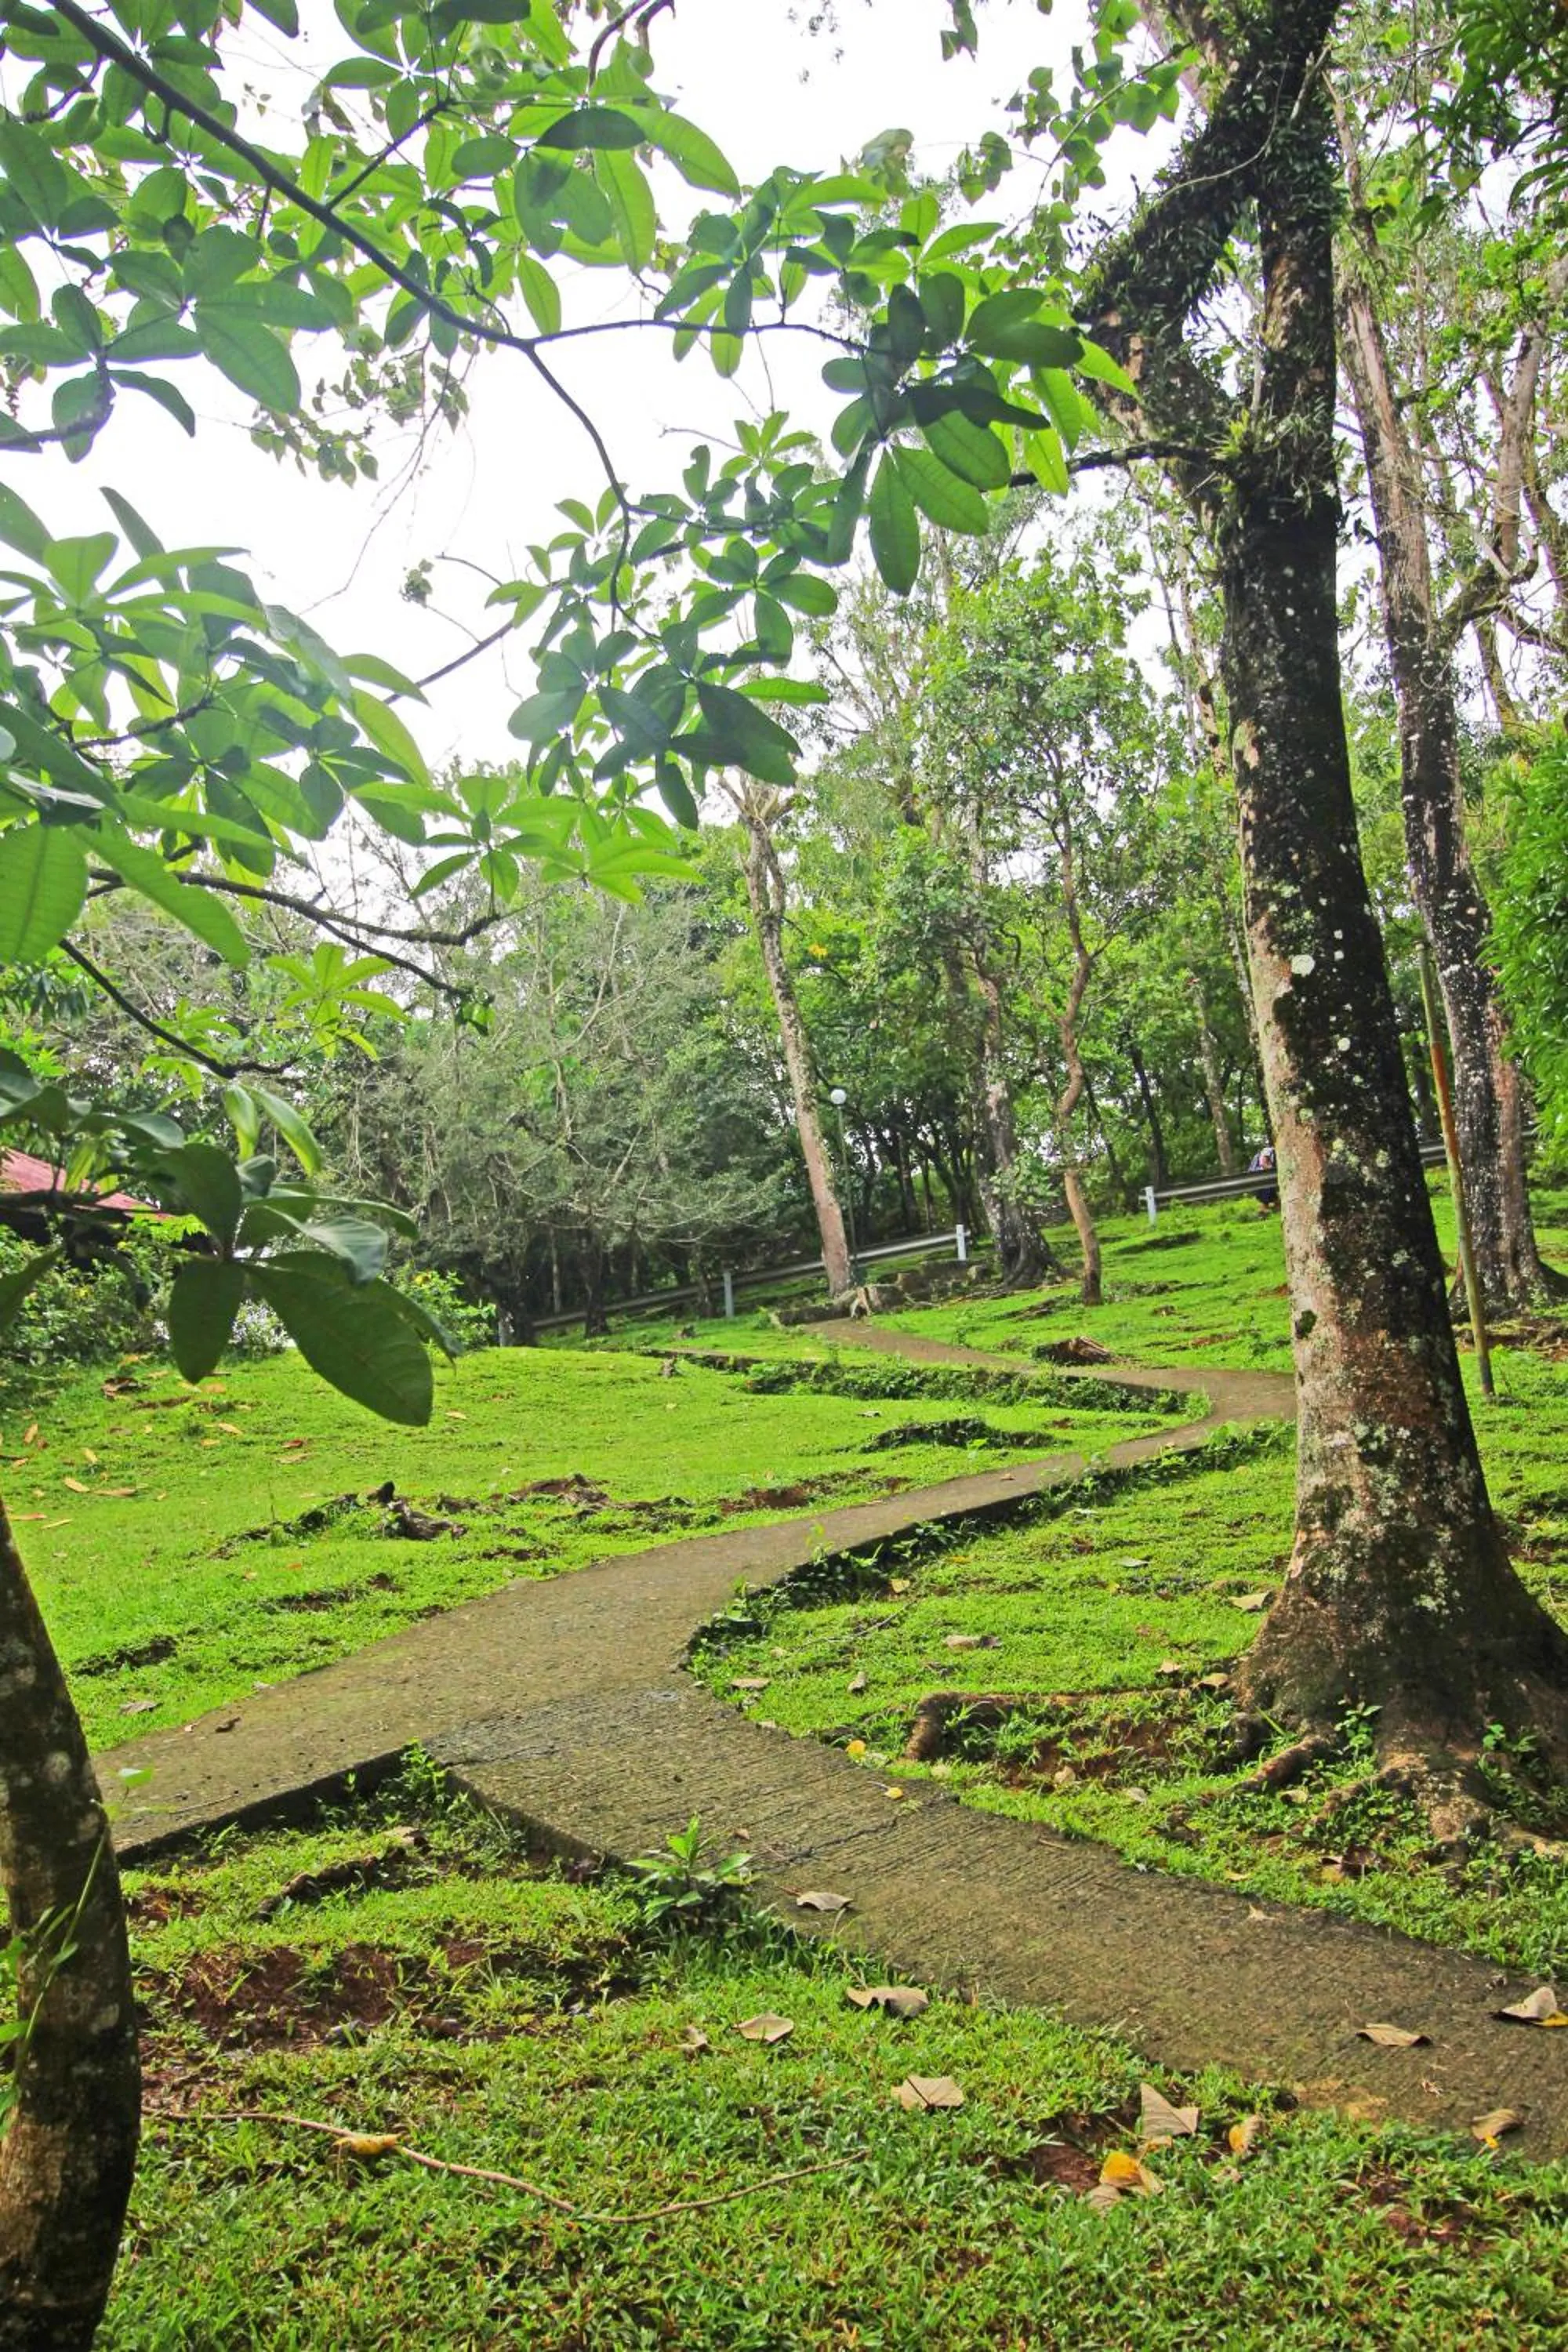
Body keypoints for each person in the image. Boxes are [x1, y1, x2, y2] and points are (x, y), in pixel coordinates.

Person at [1247, 1143, 1278, 1210]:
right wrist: (1271, 1169)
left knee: (1272, 1197)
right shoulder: (1269, 1150)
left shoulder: (1268, 1151)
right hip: (1262, 1175)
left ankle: (1267, 1211)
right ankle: (1263, 1211)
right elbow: (1263, 1164)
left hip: (1259, 1176)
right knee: (1266, 1199)